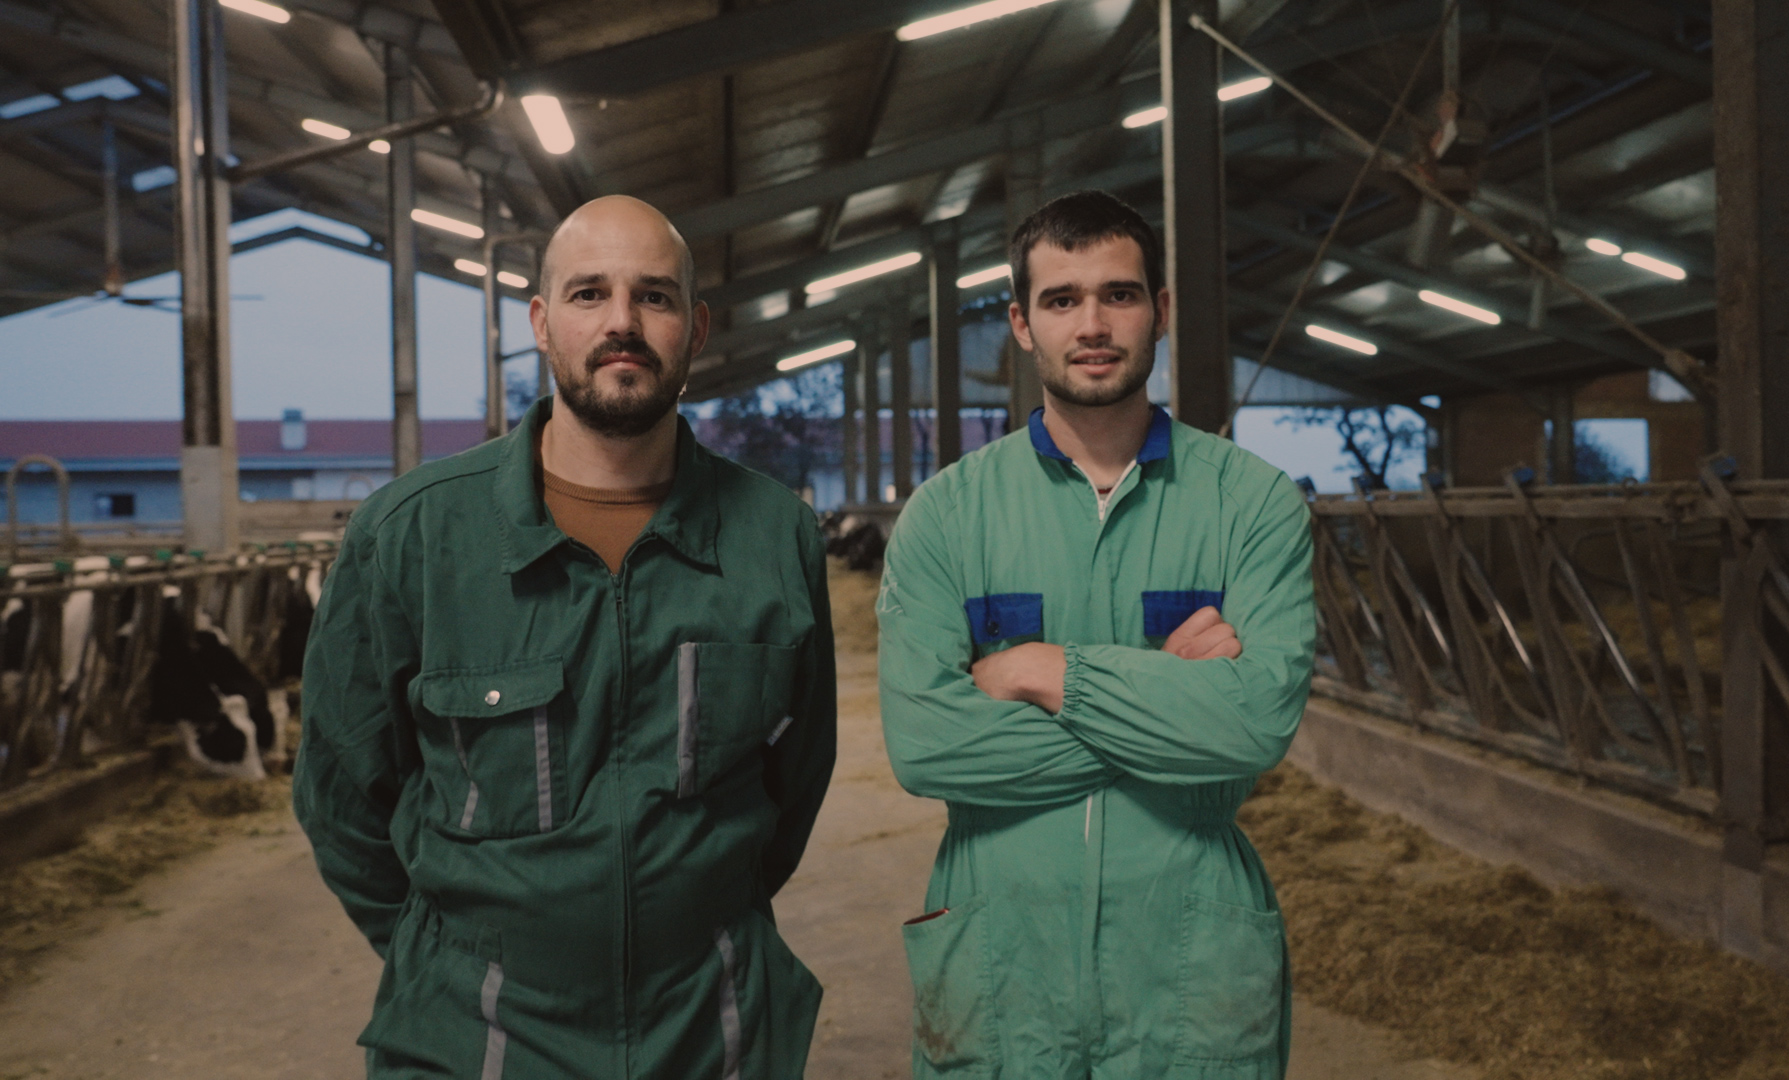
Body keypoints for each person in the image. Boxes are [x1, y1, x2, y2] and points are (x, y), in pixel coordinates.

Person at [294, 195, 836, 1079]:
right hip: (476, 1034)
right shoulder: (412, 537)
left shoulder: (774, 536)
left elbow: (795, 783)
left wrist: (685, 914)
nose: (623, 321)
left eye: (654, 296)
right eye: (590, 294)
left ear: (696, 329)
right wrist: (453, 954)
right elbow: (341, 794)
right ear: (543, 324)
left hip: (712, 1028)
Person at [876, 190, 1315, 1078]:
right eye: (1061, 299)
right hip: (1003, 960)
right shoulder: (947, 516)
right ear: (1021, 324)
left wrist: (1046, 672)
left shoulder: (1254, 503)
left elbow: (1255, 722)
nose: (1093, 324)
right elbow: (925, 745)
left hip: (1189, 960)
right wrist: (1168, 700)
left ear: (1162, 309)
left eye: (1120, 294)